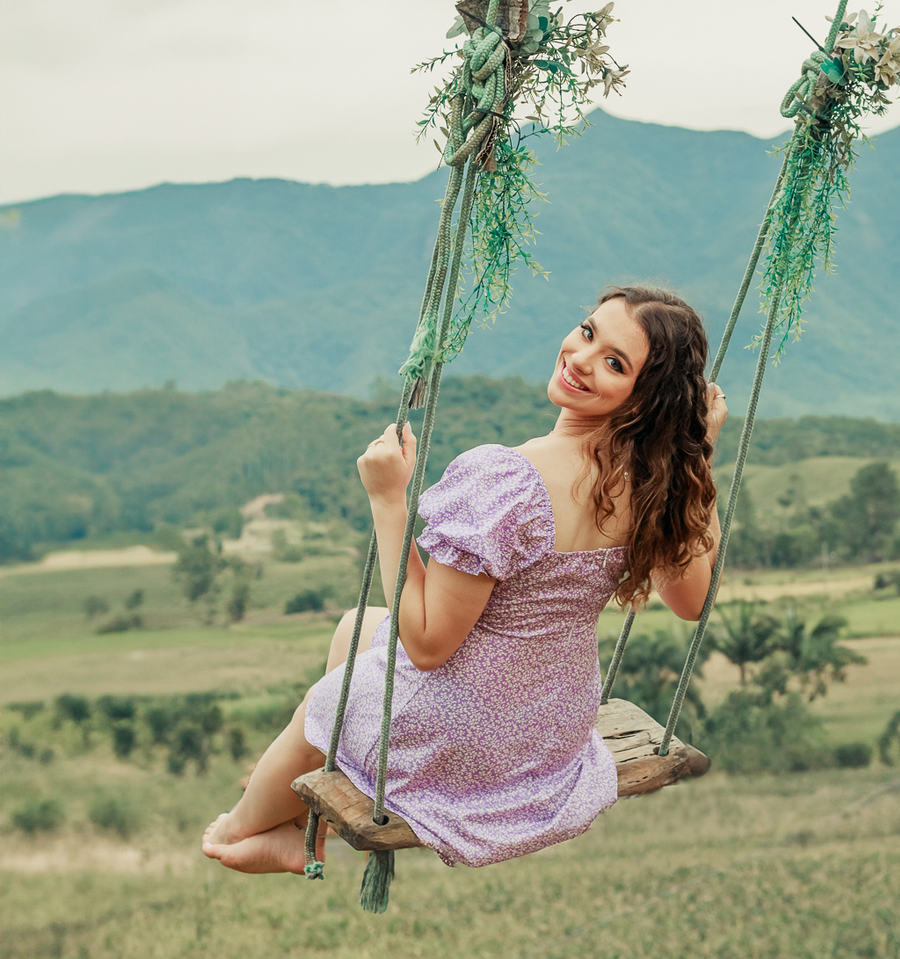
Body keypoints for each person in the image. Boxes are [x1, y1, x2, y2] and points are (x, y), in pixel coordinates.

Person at [202, 286, 726, 875]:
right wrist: (698, 453)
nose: (581, 358)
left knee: (331, 698)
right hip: (551, 727)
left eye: (614, 363)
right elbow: (692, 600)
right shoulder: (656, 484)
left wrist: (388, 502)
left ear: (645, 396)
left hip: (473, 735)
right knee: (357, 628)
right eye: (587, 332)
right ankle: (319, 797)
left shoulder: (504, 480)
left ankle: (243, 829)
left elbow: (428, 646)